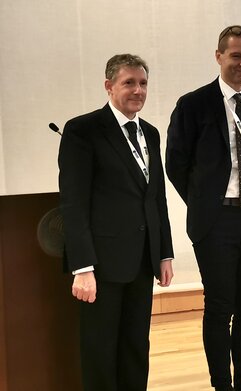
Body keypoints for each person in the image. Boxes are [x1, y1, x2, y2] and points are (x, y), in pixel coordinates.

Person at [165, 25, 241, 391]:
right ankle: (222, 387)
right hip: (217, 222)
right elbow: (176, 164)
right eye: (237, 56)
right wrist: (205, 204)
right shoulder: (193, 103)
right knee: (219, 308)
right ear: (219, 56)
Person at [59, 53, 174, 390]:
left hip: (141, 260)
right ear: (109, 86)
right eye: (129, 83)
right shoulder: (83, 130)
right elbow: (74, 203)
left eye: (142, 83)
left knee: (136, 346)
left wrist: (164, 253)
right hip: (101, 265)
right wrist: (83, 267)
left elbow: (156, 197)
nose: (137, 90)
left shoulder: (150, 132)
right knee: (100, 349)